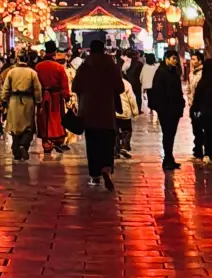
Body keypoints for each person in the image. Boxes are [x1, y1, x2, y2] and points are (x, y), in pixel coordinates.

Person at [73, 39, 125, 190]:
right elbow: (120, 88)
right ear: (104, 50)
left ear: (90, 50)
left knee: (92, 143)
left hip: (88, 111)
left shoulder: (84, 67)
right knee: (107, 142)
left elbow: (75, 86)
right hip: (107, 110)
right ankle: (107, 168)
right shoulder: (112, 66)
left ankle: (94, 175)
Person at [2, 49, 42, 160]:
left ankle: (16, 151)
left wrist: (3, 100)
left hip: (14, 100)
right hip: (28, 100)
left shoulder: (11, 72)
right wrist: (38, 102)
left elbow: (5, 88)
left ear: (18, 59)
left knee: (15, 126)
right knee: (28, 126)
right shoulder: (32, 73)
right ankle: (23, 145)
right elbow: (37, 89)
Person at [151, 49, 185, 171]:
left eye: (176, 59)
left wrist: (181, 103)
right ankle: (167, 159)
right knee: (167, 134)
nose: (175, 61)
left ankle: (169, 158)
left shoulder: (174, 72)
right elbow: (157, 91)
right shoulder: (161, 72)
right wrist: (160, 107)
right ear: (167, 59)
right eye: (173, 58)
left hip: (174, 109)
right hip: (165, 110)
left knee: (171, 134)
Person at [36, 41, 70, 154]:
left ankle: (46, 143)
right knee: (56, 118)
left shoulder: (38, 66)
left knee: (44, 119)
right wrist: (66, 97)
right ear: (55, 52)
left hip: (42, 97)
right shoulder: (59, 67)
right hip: (56, 97)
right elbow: (64, 84)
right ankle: (57, 140)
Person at [116, 74, 139, 158]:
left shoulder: (109, 82)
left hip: (114, 112)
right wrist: (135, 112)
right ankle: (125, 147)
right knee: (127, 130)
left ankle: (116, 149)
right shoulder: (126, 84)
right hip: (125, 112)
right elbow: (132, 99)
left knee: (115, 132)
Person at [187, 51, 205, 159]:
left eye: (194, 59)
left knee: (200, 126)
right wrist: (190, 101)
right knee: (196, 126)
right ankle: (197, 147)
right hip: (194, 105)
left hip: (202, 106)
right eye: (192, 59)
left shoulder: (203, 73)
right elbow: (189, 89)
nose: (192, 61)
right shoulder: (191, 74)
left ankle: (201, 147)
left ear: (200, 60)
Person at [140, 52, 159, 117]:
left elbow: (141, 76)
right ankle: (155, 108)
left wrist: (142, 82)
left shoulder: (145, 66)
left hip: (148, 86)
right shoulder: (157, 66)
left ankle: (151, 109)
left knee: (150, 97)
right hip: (155, 85)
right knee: (155, 97)